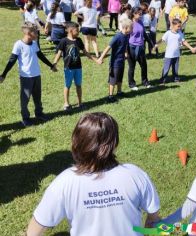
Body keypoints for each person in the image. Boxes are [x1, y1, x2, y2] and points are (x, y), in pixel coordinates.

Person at [25, 112, 161, 236]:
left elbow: (33, 231)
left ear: (76, 143)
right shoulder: (135, 175)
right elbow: (154, 220)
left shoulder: (64, 182)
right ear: (114, 144)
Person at [0, 22, 57, 127]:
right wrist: (4, 74)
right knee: (25, 98)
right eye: (36, 32)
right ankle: (25, 118)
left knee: (37, 97)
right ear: (29, 33)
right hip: (26, 77)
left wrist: (51, 65)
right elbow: (12, 60)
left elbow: (40, 55)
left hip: (36, 75)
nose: (38, 34)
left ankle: (39, 114)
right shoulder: (19, 44)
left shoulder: (34, 44)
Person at [53, 22, 98, 111]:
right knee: (67, 85)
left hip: (78, 68)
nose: (78, 32)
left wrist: (95, 60)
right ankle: (66, 103)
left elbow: (85, 52)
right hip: (68, 68)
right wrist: (54, 64)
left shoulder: (79, 40)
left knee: (78, 85)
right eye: (77, 30)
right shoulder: (64, 41)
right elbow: (59, 53)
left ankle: (80, 103)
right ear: (70, 31)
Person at [98, 19, 133, 103]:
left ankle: (119, 92)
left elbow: (125, 45)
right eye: (131, 28)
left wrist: (126, 53)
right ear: (126, 27)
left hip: (121, 61)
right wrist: (101, 58)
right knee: (113, 79)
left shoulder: (127, 36)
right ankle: (110, 96)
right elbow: (108, 47)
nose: (132, 29)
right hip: (115, 62)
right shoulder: (117, 36)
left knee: (120, 77)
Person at [154, 18, 196, 84]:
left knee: (175, 68)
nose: (179, 28)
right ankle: (163, 80)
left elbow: (184, 41)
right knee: (166, 68)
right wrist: (156, 45)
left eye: (180, 26)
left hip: (176, 54)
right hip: (168, 55)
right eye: (178, 26)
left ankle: (175, 79)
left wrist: (191, 48)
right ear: (173, 25)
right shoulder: (168, 33)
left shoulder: (180, 33)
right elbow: (162, 40)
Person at [127, 7, 152, 91]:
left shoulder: (141, 22)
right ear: (134, 14)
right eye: (139, 13)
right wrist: (125, 51)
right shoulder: (129, 23)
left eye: (141, 13)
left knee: (144, 66)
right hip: (132, 47)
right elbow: (126, 37)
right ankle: (132, 84)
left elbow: (144, 34)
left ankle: (145, 82)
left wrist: (151, 43)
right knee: (132, 67)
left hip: (141, 47)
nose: (141, 15)